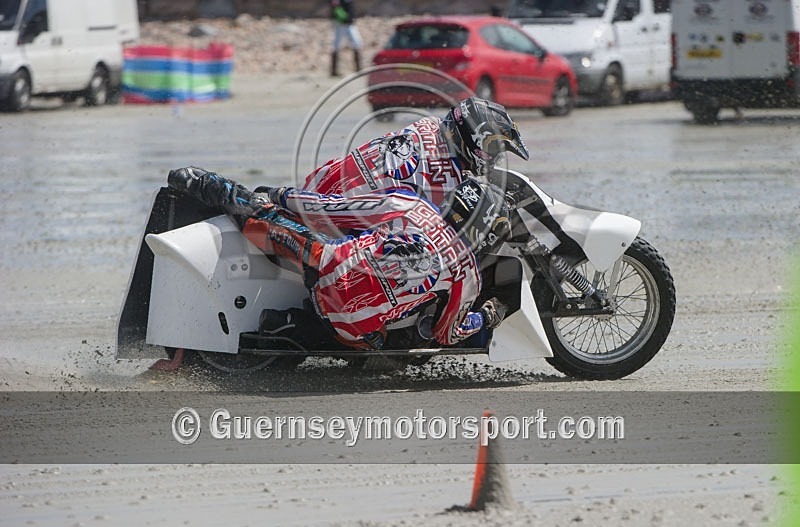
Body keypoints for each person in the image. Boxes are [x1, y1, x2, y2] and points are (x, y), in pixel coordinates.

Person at [166, 167, 513, 351]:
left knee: (261, 215)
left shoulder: (411, 206)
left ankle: (201, 183)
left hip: (322, 263)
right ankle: (287, 326)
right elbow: (447, 334)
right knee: (397, 339)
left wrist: (279, 194)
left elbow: (328, 207)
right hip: (354, 331)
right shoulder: (469, 276)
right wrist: (486, 316)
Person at [303, 97, 530, 206]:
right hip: (334, 221)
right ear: (474, 141)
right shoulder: (447, 181)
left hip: (317, 185)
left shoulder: (428, 125)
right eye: (494, 149)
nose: (495, 157)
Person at [330, 0, 362, 77]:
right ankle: (334, 70)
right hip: (340, 25)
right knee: (336, 46)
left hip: (350, 24)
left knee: (357, 43)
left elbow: (352, 10)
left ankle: (358, 69)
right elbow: (335, 10)